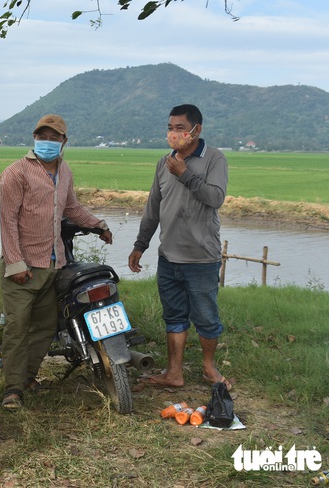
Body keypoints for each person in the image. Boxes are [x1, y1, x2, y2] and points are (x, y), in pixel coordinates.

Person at [0, 114, 113, 410]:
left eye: (53, 137)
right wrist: (15, 263)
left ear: (64, 142)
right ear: (34, 138)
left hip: (53, 265)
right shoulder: (17, 172)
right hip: (23, 267)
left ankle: (26, 377)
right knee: (17, 326)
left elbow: (72, 208)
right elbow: (8, 221)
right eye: (42, 136)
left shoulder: (65, 173)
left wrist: (99, 225)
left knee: (44, 326)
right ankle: (12, 389)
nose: (46, 142)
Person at [128, 104, 231, 391]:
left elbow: (215, 198)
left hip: (201, 258)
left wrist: (185, 174)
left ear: (196, 130)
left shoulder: (214, 159)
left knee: (206, 317)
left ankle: (210, 368)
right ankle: (174, 373)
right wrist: (140, 244)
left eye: (180, 128)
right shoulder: (164, 162)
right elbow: (153, 207)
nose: (174, 134)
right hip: (169, 257)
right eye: (171, 128)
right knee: (173, 316)